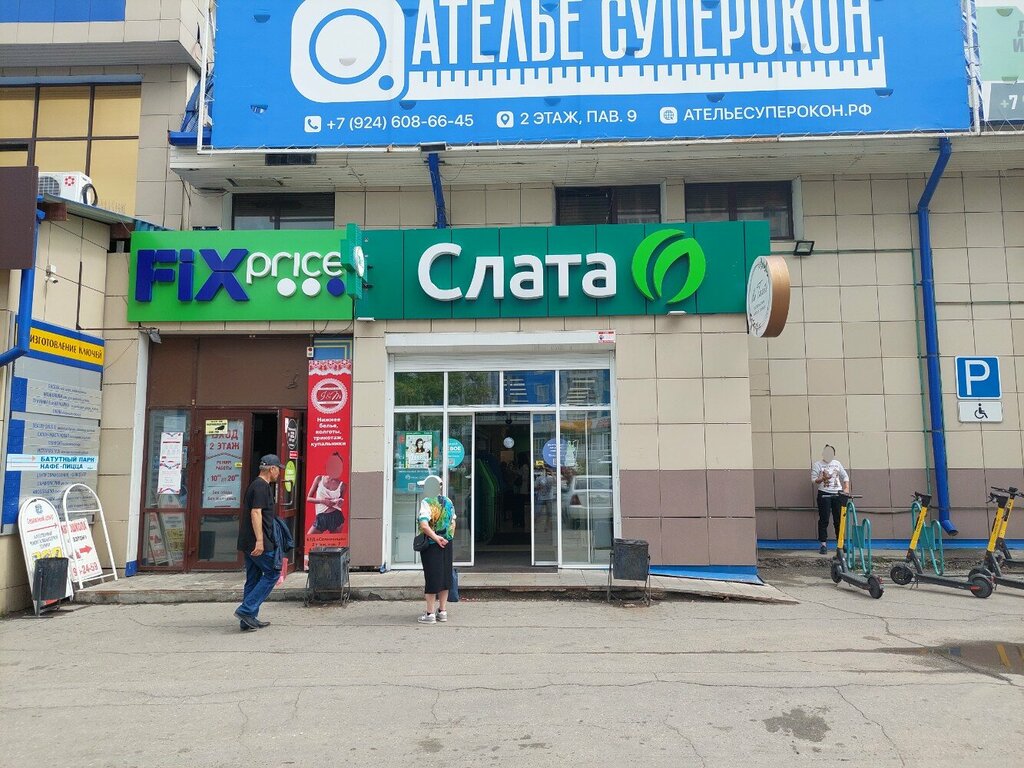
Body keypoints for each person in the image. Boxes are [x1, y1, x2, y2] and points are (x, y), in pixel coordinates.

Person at [234, 454, 284, 631]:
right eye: (278, 469)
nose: (279, 473)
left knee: (253, 578)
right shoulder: (261, 486)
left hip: (248, 541)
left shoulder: (255, 485)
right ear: (272, 469)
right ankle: (246, 610)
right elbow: (256, 513)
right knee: (272, 573)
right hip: (257, 542)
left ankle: (247, 620)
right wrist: (260, 541)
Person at [416, 475, 456, 624]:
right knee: (445, 577)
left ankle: (430, 614)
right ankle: (443, 611)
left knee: (432, 576)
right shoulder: (448, 501)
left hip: (432, 544)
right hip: (447, 543)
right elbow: (453, 521)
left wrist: (436, 537)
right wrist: (447, 537)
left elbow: (424, 525)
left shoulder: (426, 502)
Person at [811, 444, 850, 555]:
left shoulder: (837, 463)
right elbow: (813, 480)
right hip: (824, 493)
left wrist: (846, 488)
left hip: (838, 493)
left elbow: (845, 476)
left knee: (839, 519)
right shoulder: (818, 464)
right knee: (824, 519)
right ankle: (823, 544)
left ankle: (841, 544)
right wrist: (823, 478)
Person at [306, 451, 345, 535]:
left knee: (335, 542)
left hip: (336, 516)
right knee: (310, 539)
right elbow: (308, 498)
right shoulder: (319, 479)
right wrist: (323, 501)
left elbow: (341, 503)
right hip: (321, 517)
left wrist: (339, 502)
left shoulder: (342, 485)